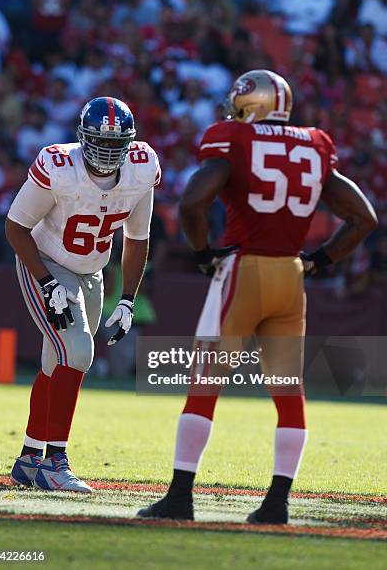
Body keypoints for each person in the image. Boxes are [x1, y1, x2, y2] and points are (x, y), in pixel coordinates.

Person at [137, 70, 377, 524]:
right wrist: (320, 260)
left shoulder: (234, 139)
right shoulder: (315, 143)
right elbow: (364, 218)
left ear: (252, 105)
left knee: (205, 384)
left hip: (243, 270)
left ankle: (180, 496)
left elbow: (192, 202)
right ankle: (276, 504)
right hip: (291, 276)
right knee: (289, 393)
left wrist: (204, 252)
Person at [6, 96, 160, 492]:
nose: (108, 152)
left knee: (55, 362)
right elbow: (16, 227)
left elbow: (137, 237)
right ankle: (56, 462)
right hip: (44, 262)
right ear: (81, 137)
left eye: (116, 144)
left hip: (92, 271)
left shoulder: (142, 168)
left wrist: (127, 299)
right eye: (100, 142)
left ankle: (29, 457)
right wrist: (47, 281)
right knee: (77, 352)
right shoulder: (60, 166)